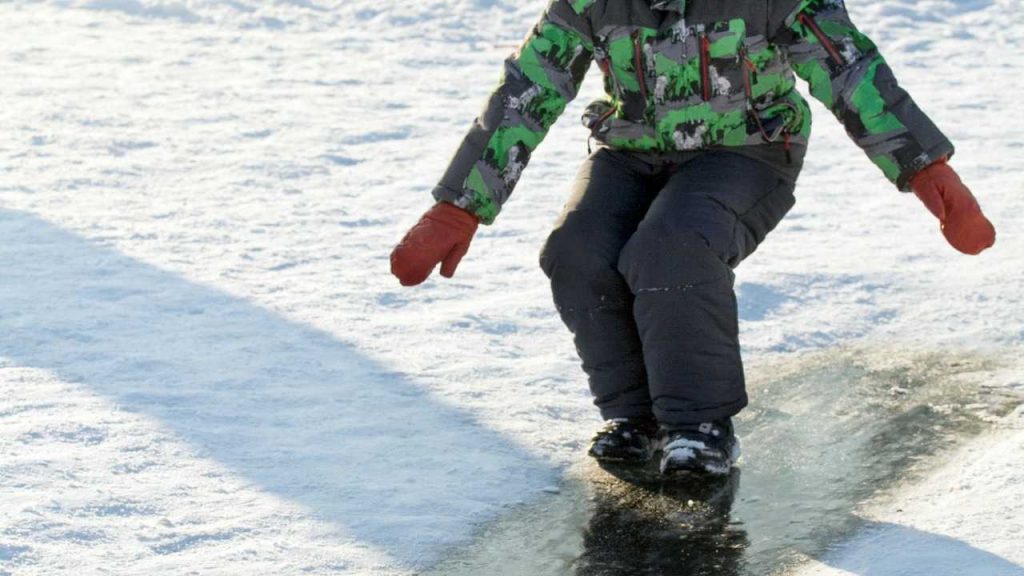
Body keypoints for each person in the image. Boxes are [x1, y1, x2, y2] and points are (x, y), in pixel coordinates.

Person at [389, 0, 996, 476]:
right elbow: (528, 90)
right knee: (576, 253)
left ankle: (700, 427)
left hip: (749, 151)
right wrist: (459, 207)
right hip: (627, 152)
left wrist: (925, 167)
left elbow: (849, 70)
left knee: (671, 248)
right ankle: (635, 417)